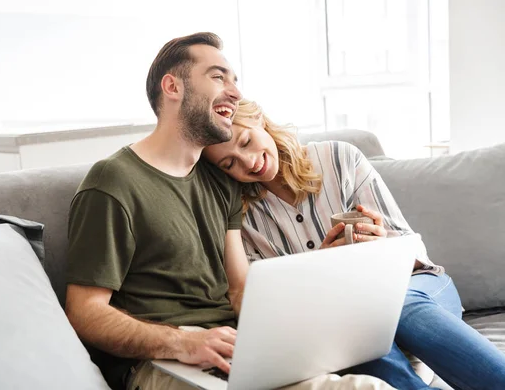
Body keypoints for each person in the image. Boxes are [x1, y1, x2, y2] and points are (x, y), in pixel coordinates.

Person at [64, 33, 394, 390]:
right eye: (219, 77)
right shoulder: (112, 182)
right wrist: (181, 343)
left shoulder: (220, 180)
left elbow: (239, 291)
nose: (235, 93)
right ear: (173, 86)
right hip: (163, 364)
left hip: (237, 350)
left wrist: (294, 324)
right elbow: (84, 312)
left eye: (235, 80)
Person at [202, 99, 505, 390]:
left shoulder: (339, 158)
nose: (249, 162)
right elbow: (269, 305)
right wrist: (320, 264)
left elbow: (411, 250)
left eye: (245, 142)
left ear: (258, 120)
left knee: (395, 306)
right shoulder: (238, 214)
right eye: (230, 163)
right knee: (350, 332)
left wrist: (382, 242)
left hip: (414, 285)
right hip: (341, 317)